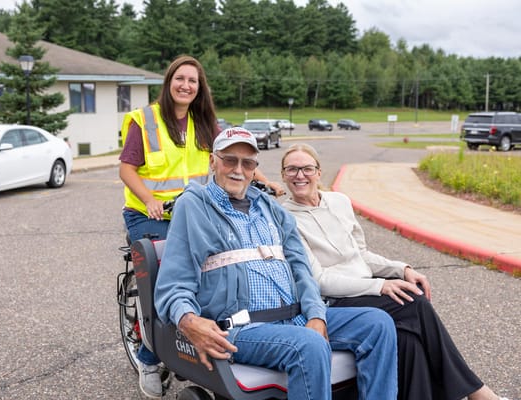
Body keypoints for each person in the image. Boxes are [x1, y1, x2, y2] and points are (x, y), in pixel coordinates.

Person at [155, 127, 398, 400]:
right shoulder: (194, 206)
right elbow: (174, 283)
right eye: (229, 160)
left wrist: (316, 315)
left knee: (378, 324)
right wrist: (187, 321)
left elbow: (301, 268)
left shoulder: (270, 208)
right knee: (309, 345)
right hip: (242, 328)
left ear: (254, 168)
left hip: (294, 316)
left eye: (247, 163)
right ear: (213, 161)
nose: (238, 169)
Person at [280, 143, 509, 400]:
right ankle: (478, 392)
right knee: (414, 302)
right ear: (283, 175)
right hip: (336, 299)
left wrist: (401, 268)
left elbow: (362, 254)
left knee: (408, 338)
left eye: (307, 168)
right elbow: (320, 281)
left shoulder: (339, 201)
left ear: (319, 172)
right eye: (292, 169)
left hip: (364, 286)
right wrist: (381, 285)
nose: (300, 175)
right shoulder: (285, 218)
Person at [118, 55, 282, 398]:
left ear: (199, 87)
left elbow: (234, 157)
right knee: (166, 275)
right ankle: (150, 355)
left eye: (193, 80)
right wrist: (149, 199)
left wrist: (269, 182)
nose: (186, 85)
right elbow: (127, 169)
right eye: (180, 78)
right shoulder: (144, 120)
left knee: (218, 264)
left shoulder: (205, 123)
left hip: (195, 210)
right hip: (152, 215)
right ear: (169, 81)